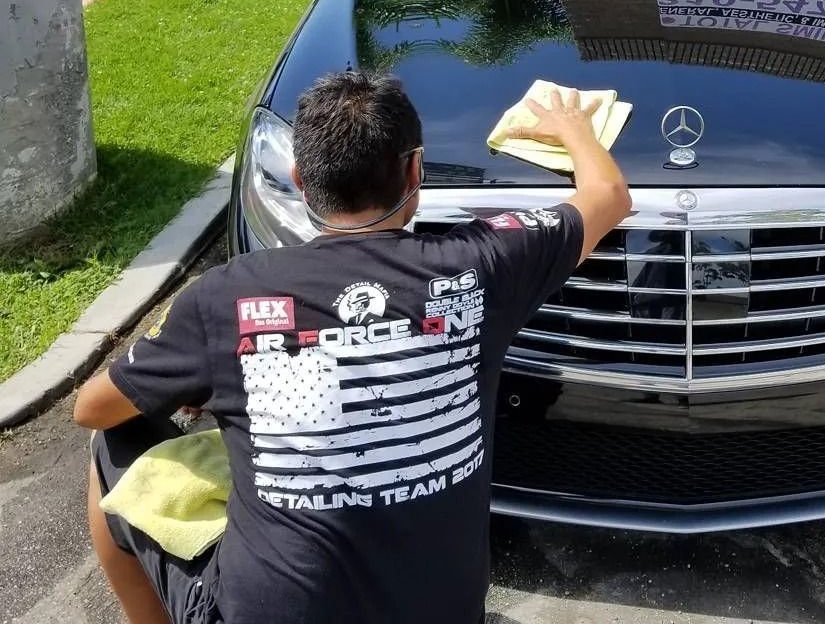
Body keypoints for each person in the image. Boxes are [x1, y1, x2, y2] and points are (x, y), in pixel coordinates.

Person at [74, 72, 632, 624]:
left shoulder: (224, 297)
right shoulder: (485, 264)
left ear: (300, 178)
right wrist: (574, 128)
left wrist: (201, 382)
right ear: (415, 170)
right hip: (447, 611)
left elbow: (92, 408)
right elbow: (607, 195)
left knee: (111, 444)